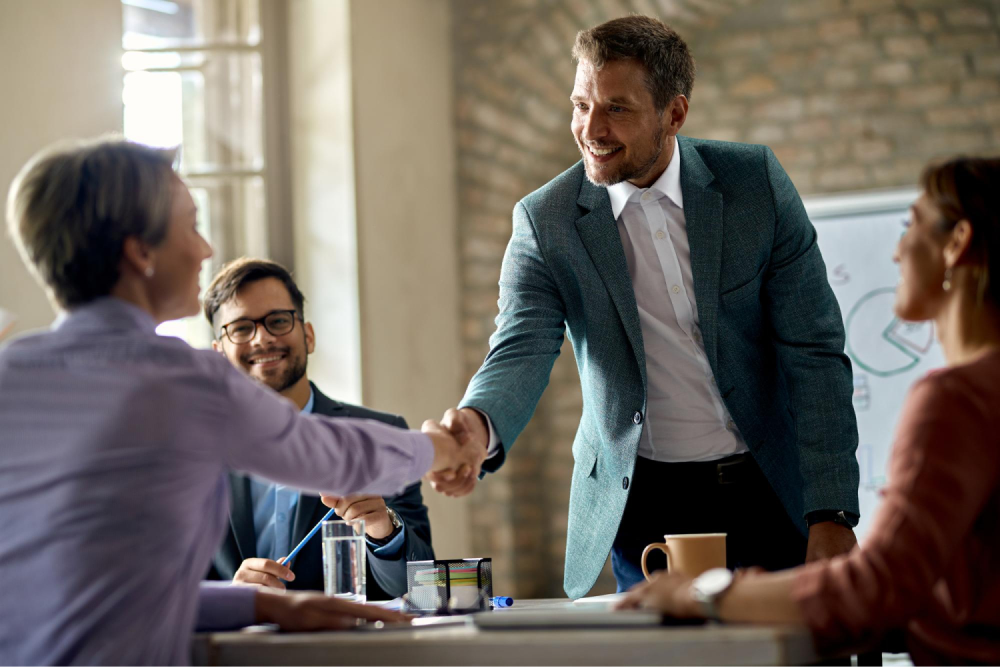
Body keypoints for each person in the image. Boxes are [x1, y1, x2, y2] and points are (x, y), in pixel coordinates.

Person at [0, 137, 475, 666]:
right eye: (191, 223)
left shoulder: (8, 373)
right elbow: (328, 454)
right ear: (140, 252)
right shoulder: (179, 377)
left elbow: (94, 599)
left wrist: (260, 604)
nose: (204, 249)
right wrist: (442, 448)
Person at [431, 14, 860, 598]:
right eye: (581, 104)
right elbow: (521, 346)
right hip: (644, 506)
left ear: (675, 113)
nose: (590, 127)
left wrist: (831, 511)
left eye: (617, 108)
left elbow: (813, 351)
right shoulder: (546, 219)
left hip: (769, 485)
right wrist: (476, 427)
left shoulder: (753, 184)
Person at [618, 157, 1000, 666]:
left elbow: (879, 586)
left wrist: (699, 594)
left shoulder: (956, 401)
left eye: (912, 226)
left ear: (956, 244)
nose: (897, 250)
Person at [202, 258, 434, 598]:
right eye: (241, 328)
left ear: (308, 336)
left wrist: (382, 529)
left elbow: (422, 587)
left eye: (278, 321)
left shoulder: (383, 434)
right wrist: (229, 598)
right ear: (219, 354)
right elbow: (167, 590)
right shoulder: (193, 454)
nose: (262, 338)